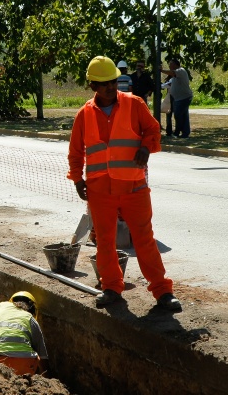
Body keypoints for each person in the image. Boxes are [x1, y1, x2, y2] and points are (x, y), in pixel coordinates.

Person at [68, 56, 182, 312]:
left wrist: (145, 147)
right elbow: (76, 152)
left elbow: (153, 131)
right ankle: (111, 288)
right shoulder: (84, 114)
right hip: (100, 190)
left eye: (113, 81)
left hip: (133, 187)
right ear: (92, 86)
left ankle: (162, 291)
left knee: (144, 239)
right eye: (104, 83)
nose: (111, 87)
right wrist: (77, 179)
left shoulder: (134, 104)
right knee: (105, 242)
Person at [0, 291, 49, 376]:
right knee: (35, 357)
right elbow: (43, 359)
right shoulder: (30, 319)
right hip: (22, 365)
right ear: (33, 311)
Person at [161, 57, 193, 138]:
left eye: (171, 64)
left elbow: (172, 73)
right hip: (179, 98)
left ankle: (178, 132)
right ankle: (185, 133)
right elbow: (169, 83)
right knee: (183, 115)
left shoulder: (180, 70)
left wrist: (161, 70)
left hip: (184, 97)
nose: (169, 66)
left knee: (178, 115)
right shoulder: (176, 75)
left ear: (176, 64)